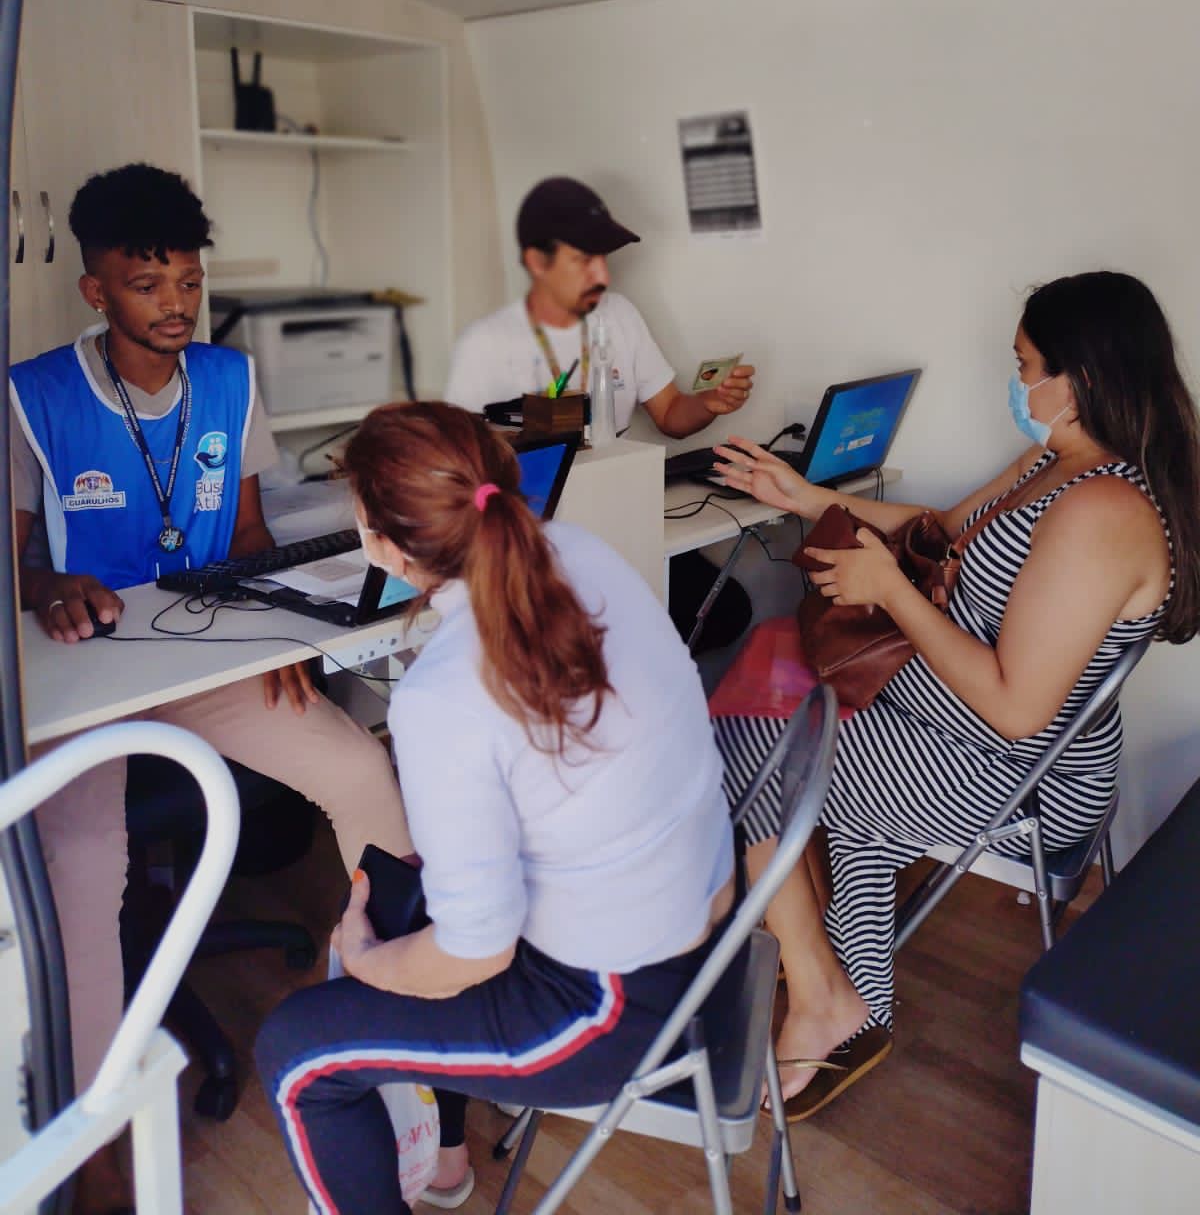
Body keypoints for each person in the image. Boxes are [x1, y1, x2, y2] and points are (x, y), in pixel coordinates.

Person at [10, 163, 412, 1215]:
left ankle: (380, 1027)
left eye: (188, 281)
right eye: (147, 284)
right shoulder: (34, 394)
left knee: (362, 772)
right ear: (97, 289)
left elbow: (246, 533)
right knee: (82, 872)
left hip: (209, 652)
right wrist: (49, 587)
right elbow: (15, 562)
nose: (175, 303)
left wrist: (282, 621)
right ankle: (96, 1148)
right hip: (84, 670)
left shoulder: (230, 379)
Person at [710, 271, 1200, 1121]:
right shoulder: (1057, 459)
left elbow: (1016, 710)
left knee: (742, 742)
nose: (1017, 384)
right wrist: (810, 498)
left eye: (1025, 367)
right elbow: (942, 533)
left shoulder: (1103, 511)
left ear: (1079, 379)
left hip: (1011, 762)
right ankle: (834, 977)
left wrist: (890, 594)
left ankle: (820, 988)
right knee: (774, 675)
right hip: (953, 714)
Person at [255, 402, 734, 1215]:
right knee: (408, 887)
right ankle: (444, 1161)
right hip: (701, 916)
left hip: (611, 1009)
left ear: (382, 544)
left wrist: (370, 964)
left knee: (296, 1053)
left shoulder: (444, 694)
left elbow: (475, 951)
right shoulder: (577, 551)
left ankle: (433, 1153)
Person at [444, 175, 755, 436]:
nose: (603, 276)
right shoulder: (483, 344)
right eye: (584, 259)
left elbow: (669, 413)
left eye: (603, 257)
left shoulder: (619, 313)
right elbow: (456, 456)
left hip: (616, 485)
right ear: (537, 261)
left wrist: (707, 404)